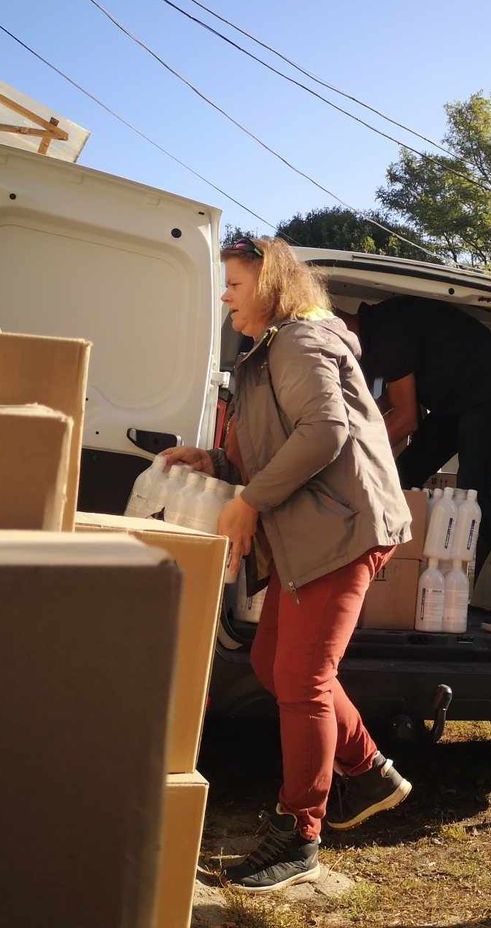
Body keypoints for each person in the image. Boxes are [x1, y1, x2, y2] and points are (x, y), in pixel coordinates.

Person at [162, 237, 415, 892]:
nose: (226, 296)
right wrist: (217, 466)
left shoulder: (300, 342)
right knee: (275, 664)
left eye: (237, 284)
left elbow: (325, 432)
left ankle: (299, 833)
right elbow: (278, 445)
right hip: (313, 532)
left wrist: (249, 501)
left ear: (271, 286)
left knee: (303, 677)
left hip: (344, 527)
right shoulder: (272, 351)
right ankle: (369, 772)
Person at [339, 295, 491, 634]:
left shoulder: (386, 335)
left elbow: (405, 420)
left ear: (341, 329)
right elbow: (386, 405)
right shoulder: (378, 330)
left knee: (475, 491)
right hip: (456, 404)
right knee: (403, 477)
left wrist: (351, 460)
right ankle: (398, 581)